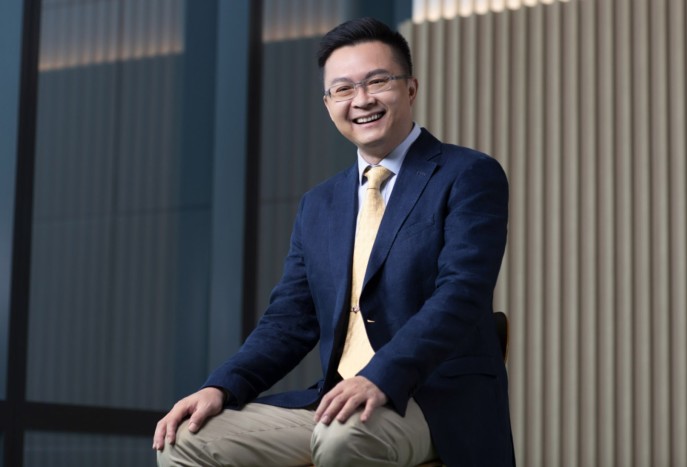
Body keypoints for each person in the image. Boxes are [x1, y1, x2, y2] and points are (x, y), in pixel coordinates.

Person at [153, 17, 514, 467]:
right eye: (342, 89)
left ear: (411, 89)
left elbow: (461, 294)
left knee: (344, 438)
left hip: (437, 403)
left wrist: (382, 376)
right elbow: (289, 319)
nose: (361, 100)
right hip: (336, 405)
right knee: (184, 441)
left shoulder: (467, 174)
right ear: (328, 104)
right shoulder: (319, 204)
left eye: (377, 81)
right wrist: (222, 386)